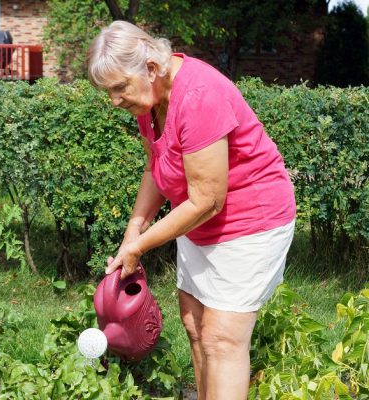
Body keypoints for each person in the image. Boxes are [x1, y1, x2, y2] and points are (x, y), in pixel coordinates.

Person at [87, 21, 296, 400]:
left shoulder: (199, 95)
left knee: (221, 338)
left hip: (249, 219)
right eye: (109, 92)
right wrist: (134, 229)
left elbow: (207, 200)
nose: (115, 100)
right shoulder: (149, 99)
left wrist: (140, 246)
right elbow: (157, 164)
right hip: (200, 223)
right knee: (195, 326)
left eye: (119, 88)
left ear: (150, 68)